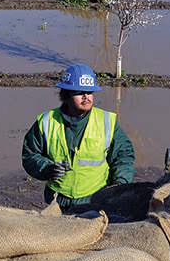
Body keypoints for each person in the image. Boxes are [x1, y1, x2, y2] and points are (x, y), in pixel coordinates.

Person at [22, 63, 135, 214]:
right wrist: (47, 168)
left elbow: (124, 156)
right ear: (66, 95)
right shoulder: (46, 121)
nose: (86, 96)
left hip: (96, 202)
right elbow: (30, 154)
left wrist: (119, 184)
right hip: (57, 202)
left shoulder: (106, 122)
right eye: (79, 92)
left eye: (90, 92)